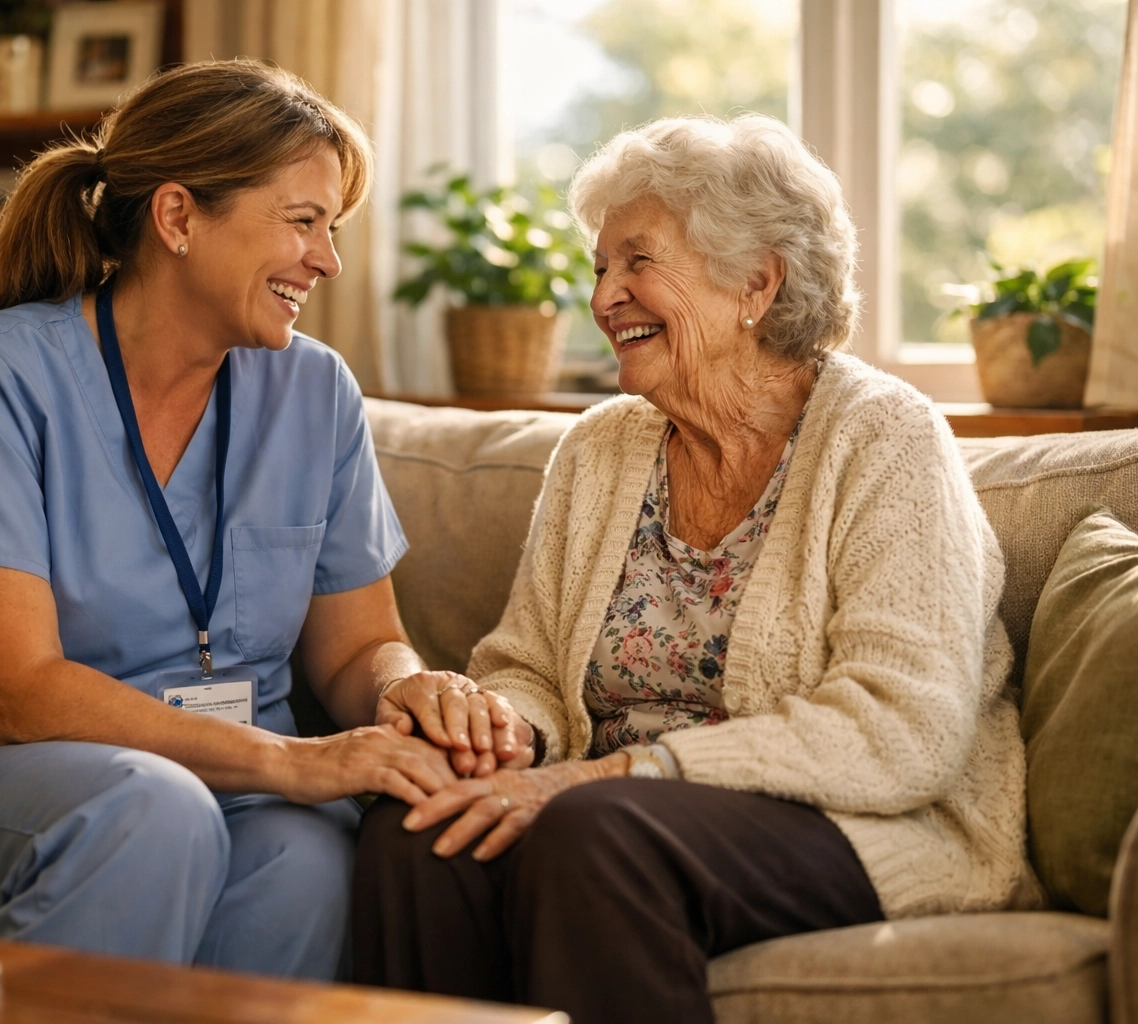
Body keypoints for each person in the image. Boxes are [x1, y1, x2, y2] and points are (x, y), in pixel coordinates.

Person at [0, 60, 529, 980]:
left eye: (331, 230)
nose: (327, 262)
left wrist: (404, 688)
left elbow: (355, 646)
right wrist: (295, 763)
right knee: (150, 811)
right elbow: (21, 696)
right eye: (303, 222)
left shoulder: (316, 391)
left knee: (311, 863)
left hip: (226, 775)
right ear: (178, 218)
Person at [353, 114, 1035, 1024]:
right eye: (600, 269)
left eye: (638, 262)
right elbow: (525, 664)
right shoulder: (599, 450)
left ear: (756, 282)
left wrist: (619, 776)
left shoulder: (884, 438)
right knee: (417, 822)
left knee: (593, 833)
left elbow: (900, 728)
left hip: (857, 820)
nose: (604, 298)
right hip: (616, 810)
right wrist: (504, 735)